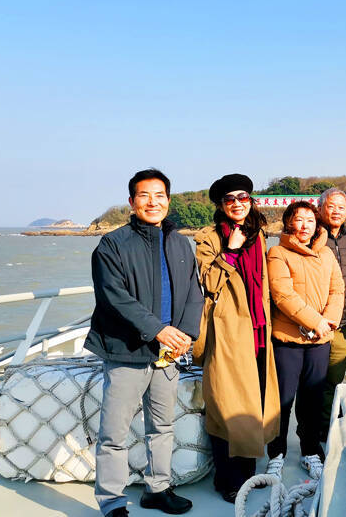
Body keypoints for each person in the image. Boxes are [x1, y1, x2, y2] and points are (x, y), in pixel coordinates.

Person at [84, 169, 202, 517]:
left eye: (160, 195)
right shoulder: (112, 245)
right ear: (132, 202)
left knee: (162, 426)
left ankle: (158, 488)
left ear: (168, 200)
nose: (153, 202)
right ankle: (112, 501)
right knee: (114, 432)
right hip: (125, 351)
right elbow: (113, 297)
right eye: (144, 195)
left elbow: (194, 294)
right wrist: (159, 330)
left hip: (169, 354)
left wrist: (185, 335)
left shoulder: (180, 242)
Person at [192, 174, 280, 503]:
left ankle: (249, 474)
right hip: (228, 330)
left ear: (251, 200)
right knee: (227, 404)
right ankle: (227, 479)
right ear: (221, 205)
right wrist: (229, 253)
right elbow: (208, 282)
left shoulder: (258, 237)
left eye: (243, 197)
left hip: (258, 329)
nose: (237, 204)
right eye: (230, 200)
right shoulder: (209, 237)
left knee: (254, 401)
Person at [265, 201, 344, 480]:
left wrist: (328, 322)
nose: (304, 225)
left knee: (311, 401)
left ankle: (310, 450)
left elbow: (337, 290)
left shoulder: (327, 255)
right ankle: (276, 453)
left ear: (317, 225)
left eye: (310, 220)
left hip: (320, 340)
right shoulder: (277, 252)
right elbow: (283, 295)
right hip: (288, 339)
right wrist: (316, 321)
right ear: (289, 223)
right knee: (282, 401)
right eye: (298, 220)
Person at [317, 188, 346, 440]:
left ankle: (328, 431)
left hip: (343, 323)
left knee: (334, 379)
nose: (336, 211)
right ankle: (312, 434)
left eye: (341, 207)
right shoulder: (310, 236)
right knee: (313, 382)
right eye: (331, 206)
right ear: (321, 208)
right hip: (313, 324)